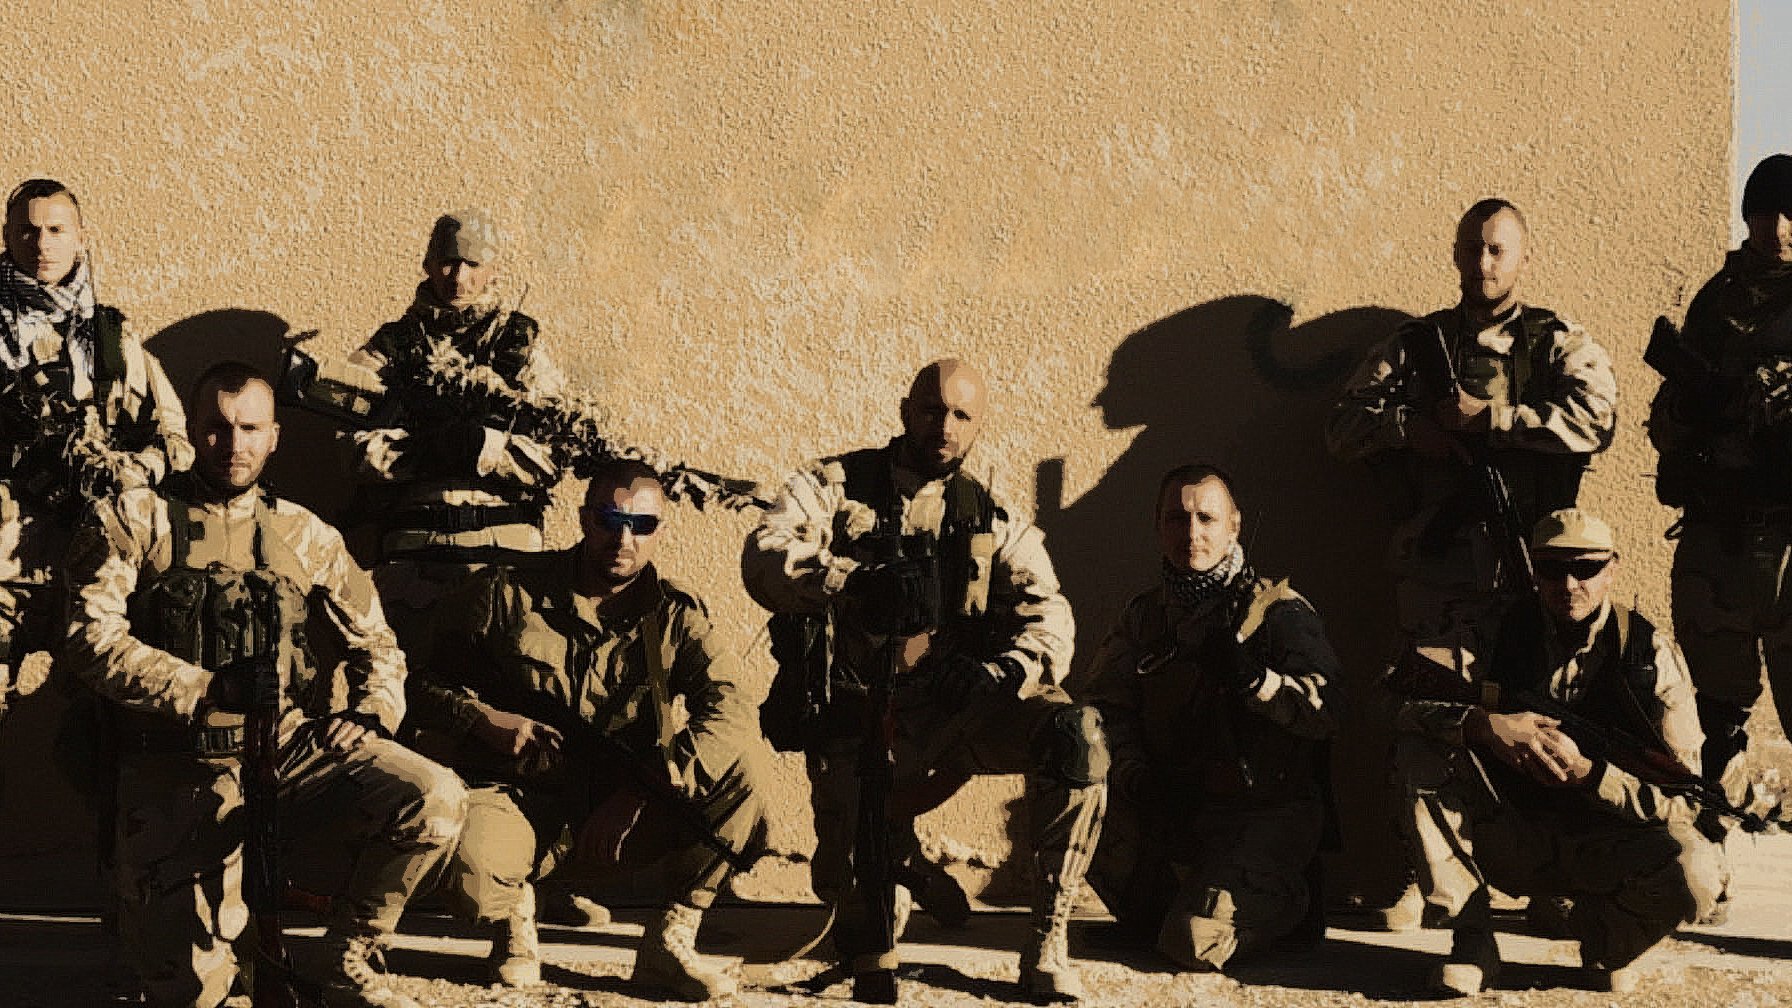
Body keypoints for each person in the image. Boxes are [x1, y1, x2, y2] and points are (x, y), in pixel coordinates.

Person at [64, 362, 466, 1008]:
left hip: (285, 751)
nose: (234, 444)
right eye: (218, 428)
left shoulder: (305, 535)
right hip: (174, 769)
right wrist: (203, 688)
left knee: (434, 795)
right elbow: (89, 640)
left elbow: (378, 644)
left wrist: (368, 714)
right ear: (192, 431)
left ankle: (348, 954)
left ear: (274, 436)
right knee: (192, 992)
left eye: (250, 428)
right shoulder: (132, 519)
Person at [742, 358, 1105, 1003]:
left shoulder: (990, 515)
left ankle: (1047, 940)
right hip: (857, 716)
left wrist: (1003, 674)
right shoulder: (835, 485)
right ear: (907, 410)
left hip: (958, 710)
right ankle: (901, 863)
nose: (945, 425)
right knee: (857, 918)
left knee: (1076, 735)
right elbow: (766, 555)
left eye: (962, 415)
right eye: (933, 409)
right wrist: (849, 582)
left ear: (978, 427)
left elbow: (1051, 614)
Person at [1326, 198, 1618, 927]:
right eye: (1473, 249)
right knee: (1429, 710)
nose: (1484, 264)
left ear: (1524, 257)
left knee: (1546, 713)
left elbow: (1598, 420)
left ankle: (1549, 875)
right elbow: (1340, 427)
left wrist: (1493, 419)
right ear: (1456, 255)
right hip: (1440, 574)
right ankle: (1419, 870)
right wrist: (1410, 429)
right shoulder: (1417, 344)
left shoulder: (1556, 343)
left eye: (1498, 250)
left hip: (1537, 571)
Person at [408, 458, 770, 999]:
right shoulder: (506, 595)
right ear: (584, 520)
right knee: (475, 879)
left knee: (744, 770)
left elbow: (731, 708)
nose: (623, 538)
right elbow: (419, 686)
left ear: (659, 532)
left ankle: (669, 943)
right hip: (520, 798)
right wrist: (482, 721)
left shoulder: (674, 615)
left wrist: (639, 792)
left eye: (641, 525)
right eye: (608, 519)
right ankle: (515, 918)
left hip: (618, 815)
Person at [1388, 509, 1720, 996]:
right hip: (1512, 831)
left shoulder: (1650, 657)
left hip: (1603, 839)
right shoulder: (1490, 630)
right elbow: (1391, 698)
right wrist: (1483, 726)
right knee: (1420, 752)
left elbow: (1684, 796)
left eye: (1585, 569)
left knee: (1699, 872)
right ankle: (1472, 939)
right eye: (1550, 569)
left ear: (1612, 568)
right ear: (1533, 569)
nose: (1568, 585)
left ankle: (1606, 936)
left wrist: (1591, 774)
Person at [1086, 464, 1339, 972]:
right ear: (1159, 527)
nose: (1192, 534)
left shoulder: (1278, 611)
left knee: (1190, 942)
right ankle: (1195, 896)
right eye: (1177, 520)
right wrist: (1136, 775)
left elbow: (1327, 712)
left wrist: (1256, 682)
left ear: (1234, 526)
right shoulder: (1145, 616)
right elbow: (1104, 708)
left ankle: (1292, 901)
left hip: (1261, 812)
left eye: (1206, 518)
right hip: (1180, 806)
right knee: (1072, 770)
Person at [0, 178, 191, 717]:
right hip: (7, 569)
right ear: (7, 236)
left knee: (97, 734)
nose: (42, 245)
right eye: (28, 230)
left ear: (80, 237)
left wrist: (126, 472)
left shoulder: (111, 338)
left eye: (56, 230)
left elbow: (175, 441)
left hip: (96, 570)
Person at [346, 209, 567, 663]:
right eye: (448, 261)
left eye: (472, 265)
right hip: (413, 566)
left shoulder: (521, 350)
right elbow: (354, 449)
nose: (459, 277)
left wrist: (483, 449)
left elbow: (554, 455)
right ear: (428, 263)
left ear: (494, 270)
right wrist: (424, 453)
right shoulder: (390, 349)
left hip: (507, 565)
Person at [1647, 153, 1792, 807]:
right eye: (1765, 213)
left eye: (1791, 213)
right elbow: (1667, 417)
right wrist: (1694, 408)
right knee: (1717, 709)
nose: (1780, 227)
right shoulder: (1717, 301)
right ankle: (1707, 856)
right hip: (1723, 534)